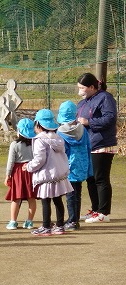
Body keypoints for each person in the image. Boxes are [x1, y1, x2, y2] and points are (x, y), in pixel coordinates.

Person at [23, 109, 73, 236]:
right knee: (58, 200)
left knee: (46, 201)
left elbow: (40, 159)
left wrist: (28, 166)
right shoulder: (58, 138)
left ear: (38, 125)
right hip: (59, 175)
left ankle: (46, 226)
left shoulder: (40, 140)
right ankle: (60, 225)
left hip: (46, 176)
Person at [76, 73, 118, 223]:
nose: (79, 90)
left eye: (82, 87)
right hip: (89, 145)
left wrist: (89, 122)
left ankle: (104, 213)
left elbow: (110, 118)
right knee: (91, 179)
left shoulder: (105, 98)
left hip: (103, 144)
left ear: (92, 87)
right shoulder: (83, 102)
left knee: (101, 178)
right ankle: (95, 210)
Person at [57, 100, 93, 231]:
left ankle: (72, 220)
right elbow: (88, 147)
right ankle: (75, 219)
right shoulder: (82, 129)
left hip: (69, 168)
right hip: (82, 165)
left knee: (70, 195)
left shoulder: (60, 132)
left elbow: (62, 151)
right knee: (77, 194)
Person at [4, 118, 37, 230]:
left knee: (16, 198)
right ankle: (29, 221)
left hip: (18, 172)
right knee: (31, 197)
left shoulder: (14, 144)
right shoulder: (35, 143)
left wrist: (7, 175)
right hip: (31, 171)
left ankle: (13, 221)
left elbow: (11, 161)